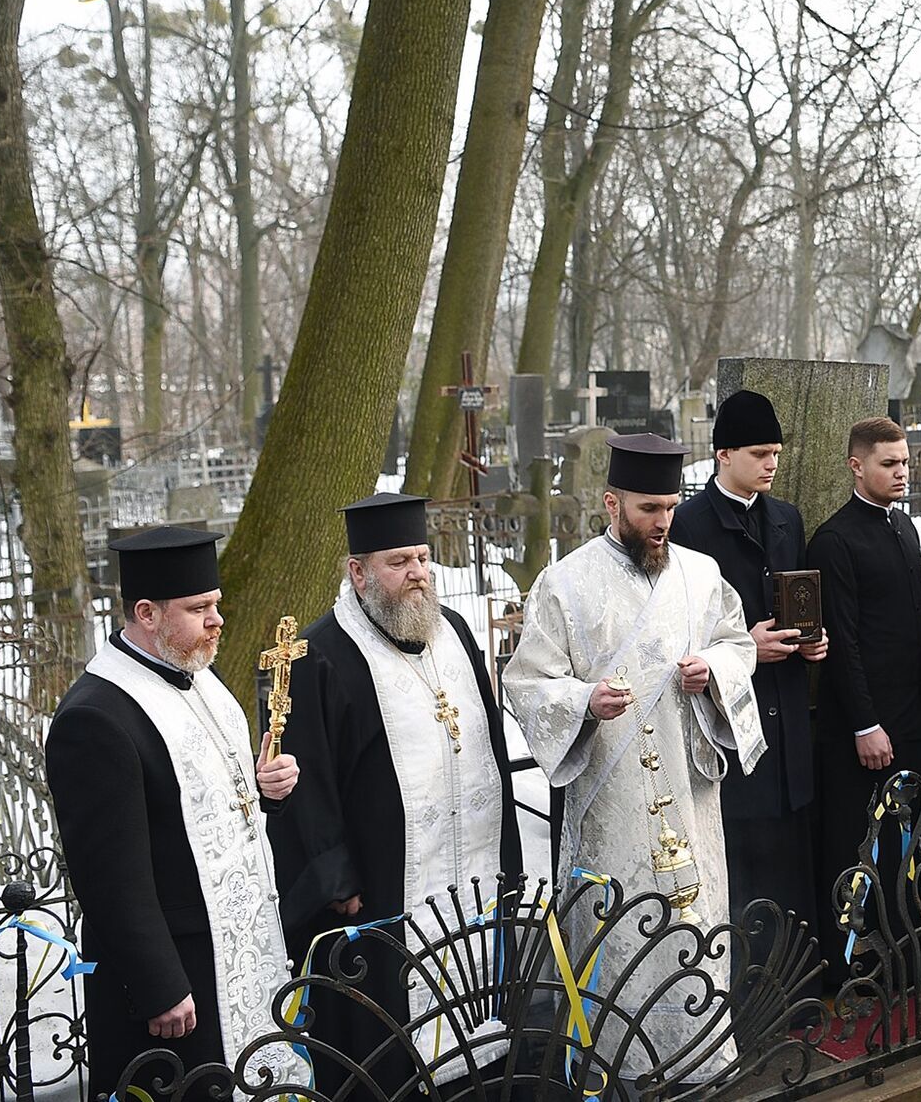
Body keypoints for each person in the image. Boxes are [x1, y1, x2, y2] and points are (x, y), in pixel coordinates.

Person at [503, 434, 764, 1081]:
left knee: (692, 924)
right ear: (611, 503)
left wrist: (716, 669)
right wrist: (586, 700)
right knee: (616, 935)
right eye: (649, 508)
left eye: (672, 507)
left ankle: (701, 1060)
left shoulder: (701, 574)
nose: (663, 523)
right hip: (609, 800)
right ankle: (616, 1069)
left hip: (689, 793)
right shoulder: (564, 583)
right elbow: (527, 682)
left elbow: (738, 644)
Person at [267, 493, 523, 1096]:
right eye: (398, 562)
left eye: (423, 558)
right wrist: (340, 881)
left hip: (473, 876)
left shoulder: (454, 631)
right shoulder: (319, 656)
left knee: (482, 1025)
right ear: (358, 572)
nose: (418, 574)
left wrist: (508, 851)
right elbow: (311, 786)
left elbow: (490, 746)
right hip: (383, 892)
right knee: (388, 1052)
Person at [46, 527, 307, 1098]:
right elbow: (109, 877)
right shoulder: (96, 718)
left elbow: (206, 813)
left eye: (216, 604)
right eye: (199, 608)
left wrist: (266, 793)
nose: (217, 620)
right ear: (147, 613)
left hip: (240, 948)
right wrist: (158, 984)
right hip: (180, 978)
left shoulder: (202, 682)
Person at [668, 389, 828, 943]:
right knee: (746, 879)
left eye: (777, 453)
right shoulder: (689, 526)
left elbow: (800, 602)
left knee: (793, 873)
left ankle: (801, 1000)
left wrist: (812, 641)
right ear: (723, 455)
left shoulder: (787, 518)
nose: (771, 464)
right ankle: (750, 1009)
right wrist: (743, 651)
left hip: (789, 728)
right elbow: (678, 640)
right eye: (760, 453)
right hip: (732, 730)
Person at [807, 417, 921, 953]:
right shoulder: (834, 540)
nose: (901, 473)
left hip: (913, 716)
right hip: (864, 730)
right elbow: (842, 643)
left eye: (905, 463)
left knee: (908, 845)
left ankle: (904, 949)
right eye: (889, 464)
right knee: (858, 846)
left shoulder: (904, 527)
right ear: (857, 465)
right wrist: (865, 724)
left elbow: (915, 602)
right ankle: (850, 963)